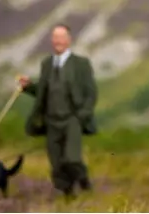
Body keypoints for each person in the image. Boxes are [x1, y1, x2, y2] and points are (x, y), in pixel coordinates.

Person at [18, 24, 97, 197]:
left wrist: (81, 116)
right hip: (51, 121)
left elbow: (91, 93)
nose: (58, 41)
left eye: (61, 37)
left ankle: (84, 181)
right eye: (55, 37)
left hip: (72, 119)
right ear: (51, 41)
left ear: (69, 40)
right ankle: (69, 197)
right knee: (57, 163)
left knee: (72, 158)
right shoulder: (46, 64)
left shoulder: (81, 64)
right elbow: (44, 91)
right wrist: (28, 87)